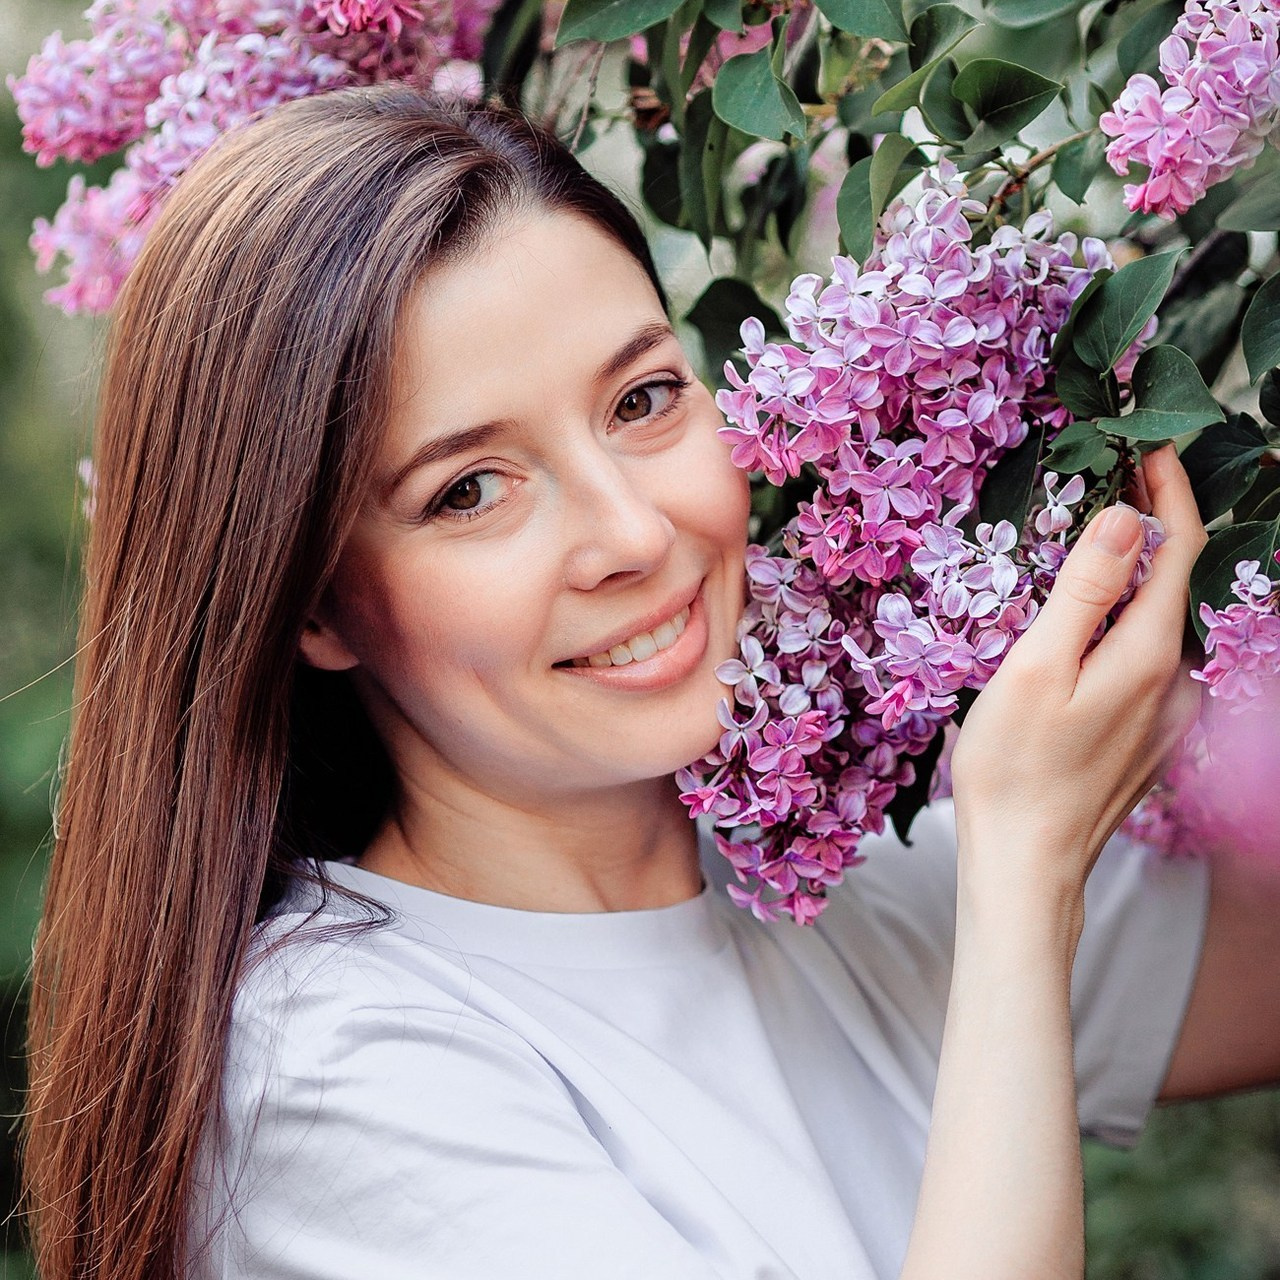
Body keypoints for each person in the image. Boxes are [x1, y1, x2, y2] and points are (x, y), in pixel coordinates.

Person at [18, 83, 1280, 1280]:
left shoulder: (841, 886)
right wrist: (1027, 864)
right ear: (309, 599)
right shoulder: (322, 1065)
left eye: (642, 398)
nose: (631, 531)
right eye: (469, 488)